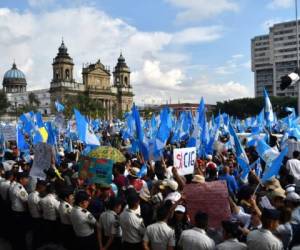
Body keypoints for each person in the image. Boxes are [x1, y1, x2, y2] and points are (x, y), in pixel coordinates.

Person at [10, 171, 30, 250]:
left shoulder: (14, 186)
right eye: (26, 178)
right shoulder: (20, 189)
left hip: (14, 212)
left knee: (16, 233)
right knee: (21, 233)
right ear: (21, 180)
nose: (27, 180)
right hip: (19, 214)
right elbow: (26, 201)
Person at [28, 179, 47, 249]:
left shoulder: (30, 194)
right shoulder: (37, 197)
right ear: (41, 187)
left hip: (32, 216)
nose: (45, 189)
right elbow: (41, 210)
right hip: (38, 218)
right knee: (38, 236)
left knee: (35, 234)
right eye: (44, 187)